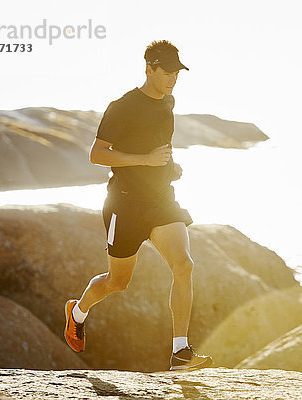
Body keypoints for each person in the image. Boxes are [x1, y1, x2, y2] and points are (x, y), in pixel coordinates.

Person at [63, 40, 212, 371]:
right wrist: (144, 161)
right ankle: (77, 312)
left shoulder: (168, 103)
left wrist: (168, 167)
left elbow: (160, 145)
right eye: (167, 72)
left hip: (161, 199)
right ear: (149, 69)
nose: (173, 78)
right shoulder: (122, 107)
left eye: (177, 72)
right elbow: (97, 154)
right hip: (124, 204)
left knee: (184, 265)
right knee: (117, 283)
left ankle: (180, 353)